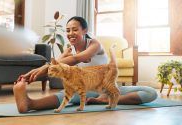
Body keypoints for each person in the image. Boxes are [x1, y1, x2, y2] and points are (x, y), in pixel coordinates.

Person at [13, 16, 158, 113]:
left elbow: (78, 59)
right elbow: (55, 67)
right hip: (84, 88)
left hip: (107, 87)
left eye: (75, 29)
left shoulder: (94, 44)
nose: (71, 33)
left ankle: (105, 99)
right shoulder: (68, 50)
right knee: (67, 94)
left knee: (151, 93)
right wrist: (30, 75)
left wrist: (44, 67)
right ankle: (30, 104)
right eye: (68, 30)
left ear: (84, 31)